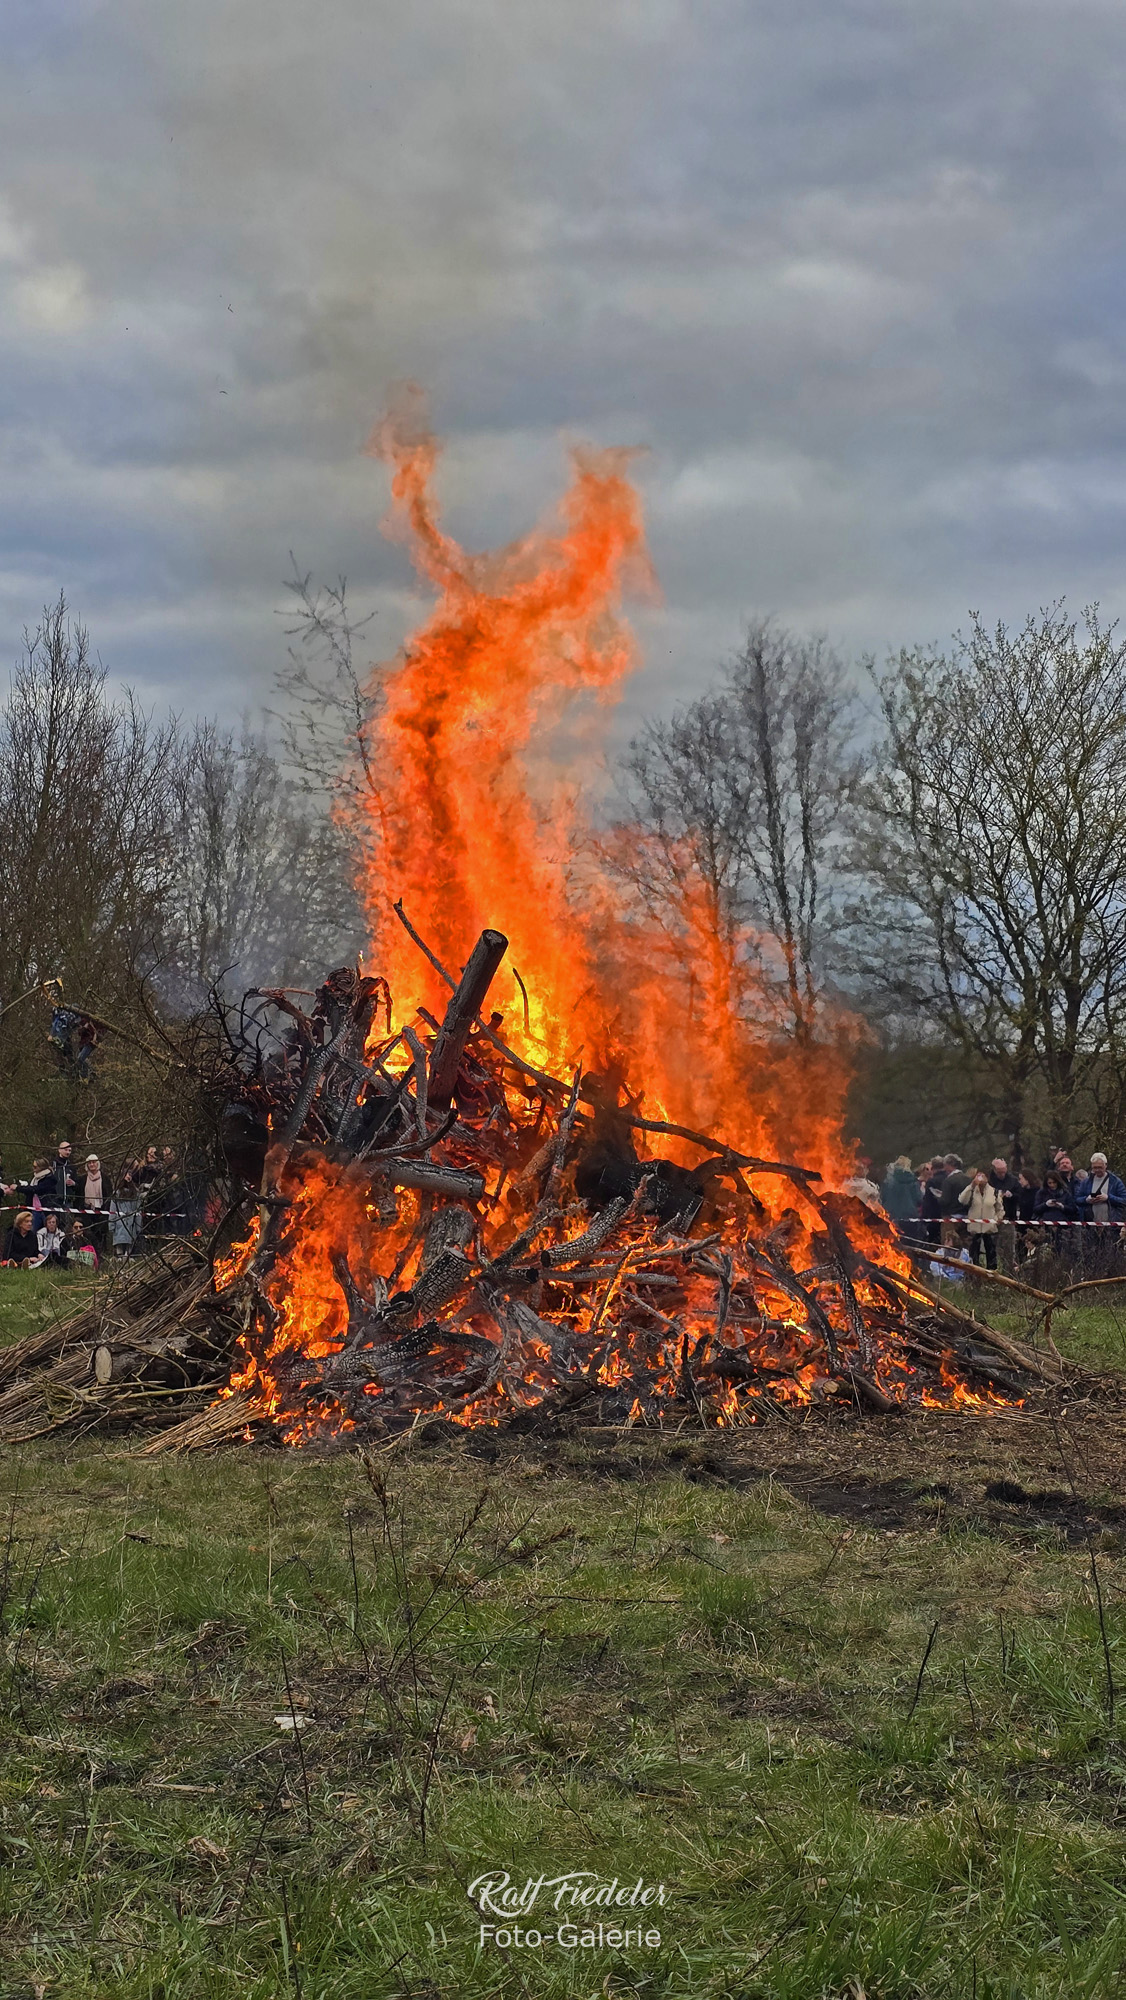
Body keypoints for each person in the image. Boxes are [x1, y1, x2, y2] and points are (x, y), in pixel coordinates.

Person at [959, 1168, 1005, 1268]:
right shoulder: (971, 1190)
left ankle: (991, 1275)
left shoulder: (994, 1192)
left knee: (991, 1253)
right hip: (974, 1228)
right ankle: (974, 1275)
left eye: (982, 1176)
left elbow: (999, 1208)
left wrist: (998, 1219)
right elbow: (962, 1200)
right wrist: (972, 1186)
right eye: (978, 1175)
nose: (980, 1178)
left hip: (989, 1228)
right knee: (974, 1254)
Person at [74, 1153, 113, 1255]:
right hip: (86, 1210)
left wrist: (106, 1211)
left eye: (94, 1162)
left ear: (98, 1164)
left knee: (101, 1233)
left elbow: (109, 1194)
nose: (92, 1165)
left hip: (101, 1210)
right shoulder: (82, 1179)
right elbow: (78, 1195)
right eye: (89, 1163)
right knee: (88, 1233)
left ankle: (102, 1254)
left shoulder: (105, 1178)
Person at [1075, 1153, 1126, 1230]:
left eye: (1100, 1167)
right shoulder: (1086, 1182)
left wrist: (1108, 1198)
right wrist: (1086, 1200)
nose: (1097, 1170)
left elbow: (1124, 1201)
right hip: (1091, 1225)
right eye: (1095, 1168)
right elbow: (1077, 1199)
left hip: (1111, 1225)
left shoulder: (1116, 1182)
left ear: (1106, 1165)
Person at [1034, 1170, 1079, 1250]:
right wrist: (1046, 1205)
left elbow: (1073, 1209)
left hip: (1062, 1226)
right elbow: (1036, 1209)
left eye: (1054, 1182)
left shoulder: (1065, 1193)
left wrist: (1062, 1207)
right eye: (1049, 1183)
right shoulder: (1041, 1193)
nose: (1052, 1185)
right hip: (1046, 1226)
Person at [881, 1156, 922, 1240]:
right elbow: (918, 1199)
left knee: (894, 1242)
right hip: (910, 1216)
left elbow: (883, 1197)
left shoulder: (888, 1181)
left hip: (891, 1215)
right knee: (911, 1241)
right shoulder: (913, 1181)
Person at [939, 1154, 971, 1247]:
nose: (944, 1169)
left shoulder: (948, 1181)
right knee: (965, 1245)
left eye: (945, 1165)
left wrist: (938, 1198)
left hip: (951, 1218)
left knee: (949, 1244)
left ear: (949, 1166)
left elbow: (945, 1201)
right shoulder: (968, 1180)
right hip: (966, 1218)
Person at [919, 1160, 948, 1246]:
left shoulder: (932, 1182)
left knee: (933, 1241)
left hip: (933, 1215)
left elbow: (927, 1202)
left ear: (932, 1168)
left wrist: (924, 1217)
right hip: (947, 1215)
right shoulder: (948, 1179)